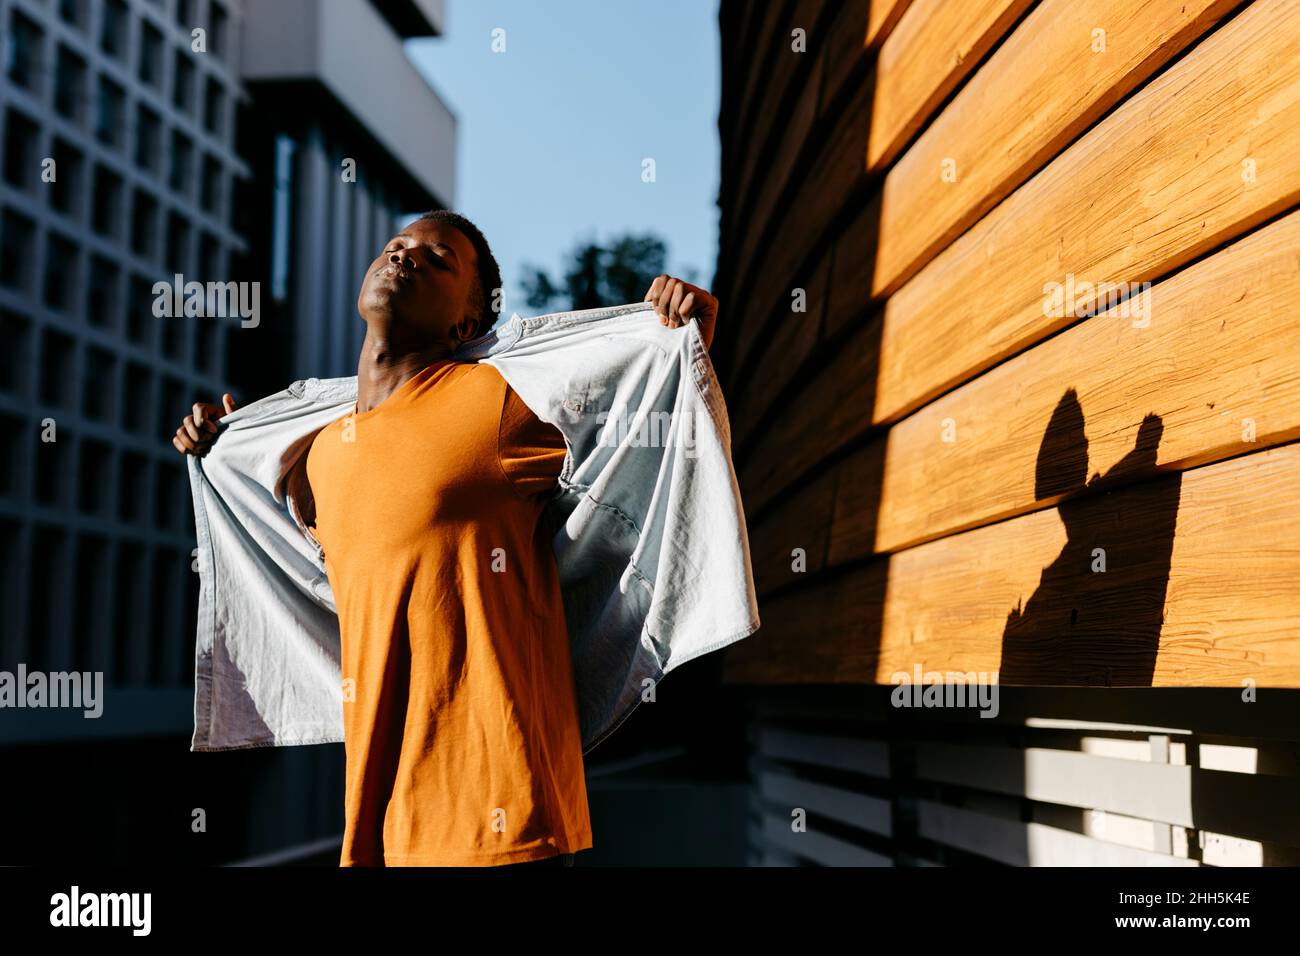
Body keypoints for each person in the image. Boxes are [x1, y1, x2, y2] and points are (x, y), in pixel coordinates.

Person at [171, 210, 720, 867]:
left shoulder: (499, 403)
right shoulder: (315, 453)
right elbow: (285, 552)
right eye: (396, 247)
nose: (404, 258)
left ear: (466, 322)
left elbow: (650, 430)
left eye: (437, 260)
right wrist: (221, 443)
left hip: (503, 811)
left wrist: (687, 343)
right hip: (384, 821)